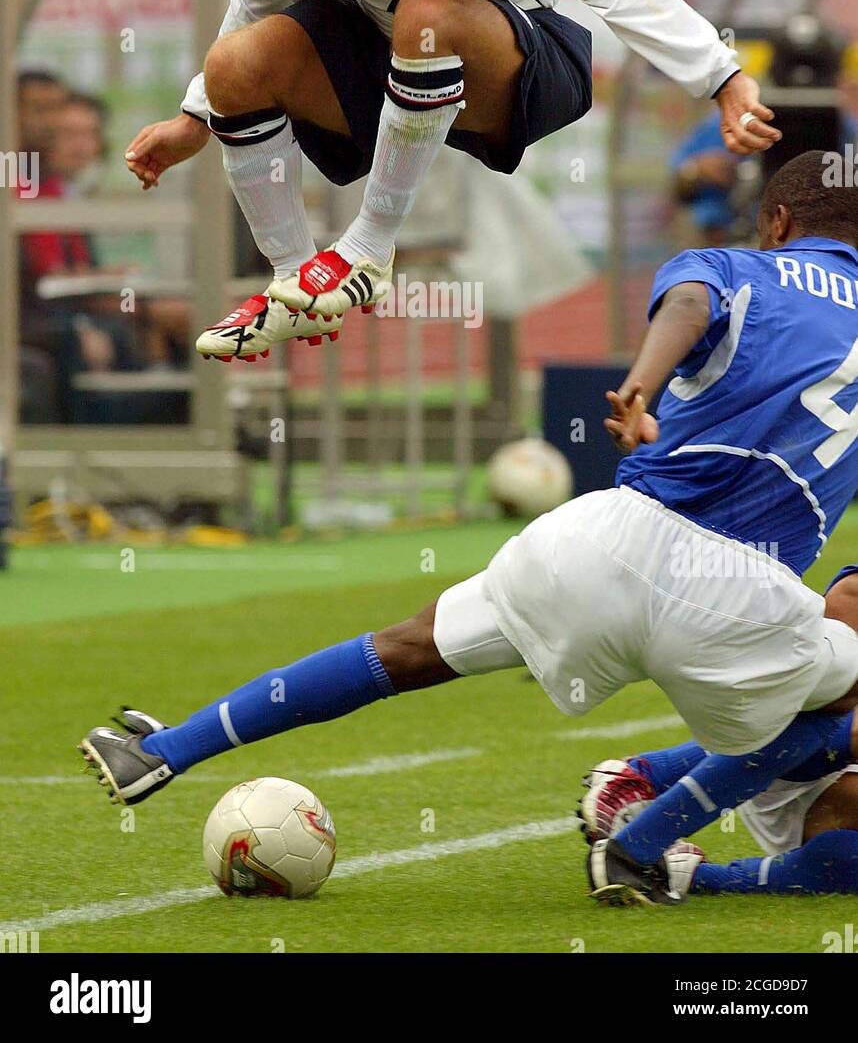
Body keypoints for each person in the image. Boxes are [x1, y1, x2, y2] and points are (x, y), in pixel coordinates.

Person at [80, 154, 858, 845]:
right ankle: (643, 843)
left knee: (406, 648)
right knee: (839, 703)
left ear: (779, 221)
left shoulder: (733, 267)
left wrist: (639, 387)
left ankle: (163, 751)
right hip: (743, 599)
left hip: (608, 541)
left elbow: (688, 303)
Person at [123, 0, 776, 363]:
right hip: (408, 71)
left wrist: (721, 74)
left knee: (425, 16)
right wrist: (194, 119)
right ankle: (297, 282)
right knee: (233, 61)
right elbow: (251, 14)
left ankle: (368, 252)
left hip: (529, 66)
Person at [582, 566, 858, 902]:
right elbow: (814, 693)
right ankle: (644, 780)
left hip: (807, 782)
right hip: (793, 760)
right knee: (833, 693)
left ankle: (684, 873)